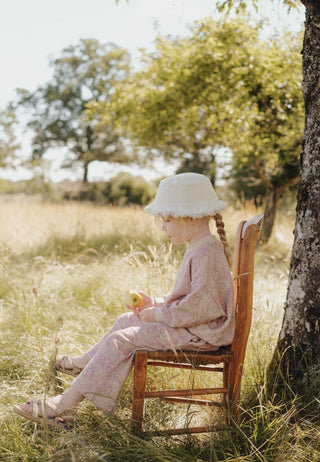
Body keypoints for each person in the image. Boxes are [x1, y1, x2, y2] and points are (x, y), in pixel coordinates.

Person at [14, 172, 234, 427]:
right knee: (126, 319)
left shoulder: (206, 251)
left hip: (202, 334)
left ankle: (64, 405)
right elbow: (191, 298)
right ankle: (85, 367)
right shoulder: (199, 246)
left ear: (193, 217)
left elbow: (203, 306)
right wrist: (156, 304)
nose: (163, 227)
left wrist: (161, 315)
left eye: (168, 219)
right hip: (194, 326)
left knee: (122, 340)